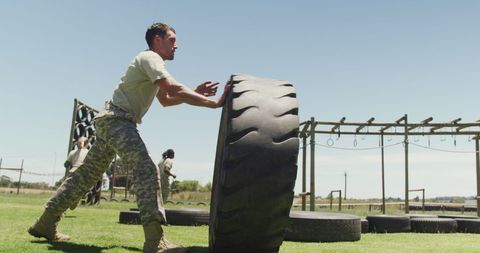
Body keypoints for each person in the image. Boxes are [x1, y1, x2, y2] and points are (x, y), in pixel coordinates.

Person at [28, 22, 229, 253]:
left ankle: (45, 223)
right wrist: (212, 103)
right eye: (172, 40)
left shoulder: (151, 64)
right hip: (118, 122)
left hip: (110, 122)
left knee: (84, 175)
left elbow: (165, 99)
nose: (177, 45)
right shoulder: (150, 58)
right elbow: (173, 88)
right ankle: (155, 241)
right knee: (145, 168)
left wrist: (194, 92)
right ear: (157, 40)